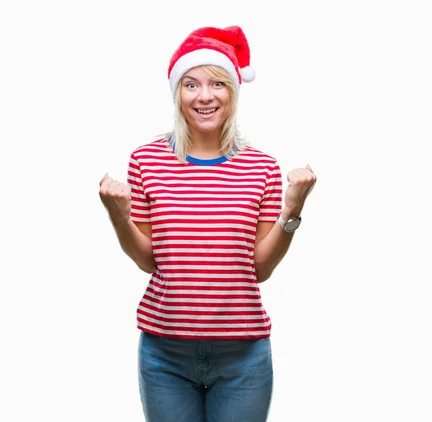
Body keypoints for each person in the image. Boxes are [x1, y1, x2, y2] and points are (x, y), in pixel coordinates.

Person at [98, 25, 316, 422]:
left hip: (242, 358)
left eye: (217, 83)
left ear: (233, 91)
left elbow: (261, 268)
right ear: (177, 93)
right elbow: (148, 260)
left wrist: (293, 209)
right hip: (165, 354)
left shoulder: (261, 167)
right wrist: (117, 215)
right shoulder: (146, 161)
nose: (204, 96)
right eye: (191, 84)